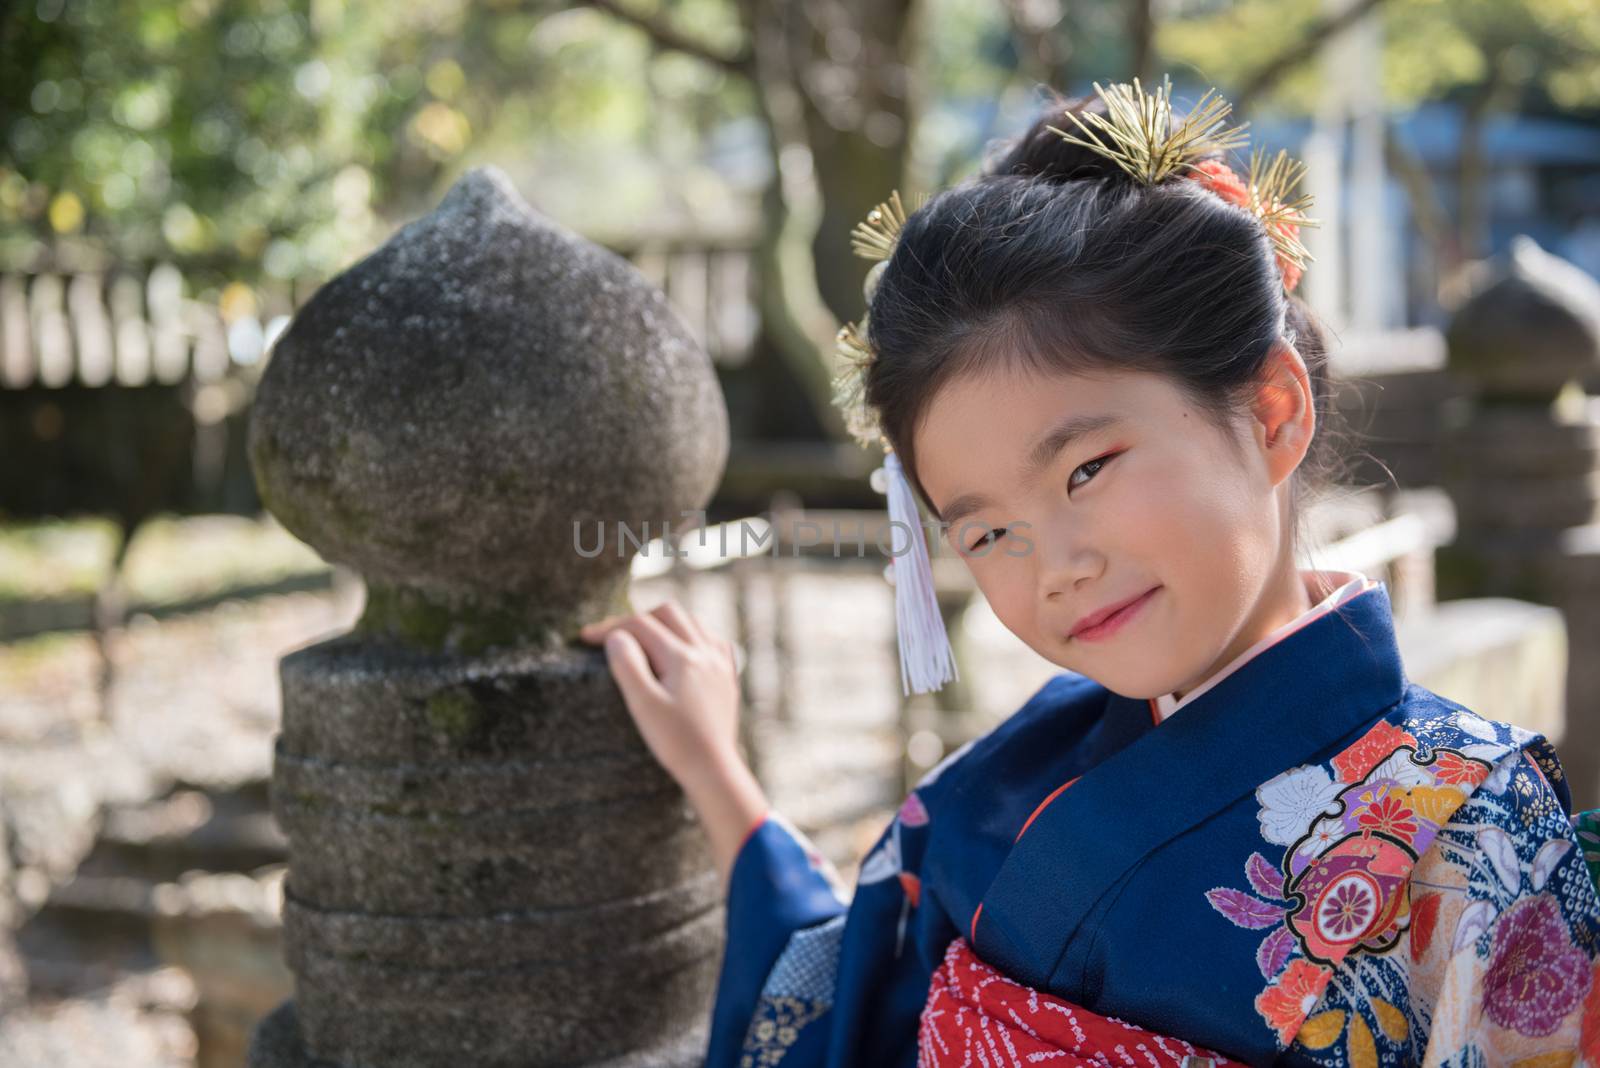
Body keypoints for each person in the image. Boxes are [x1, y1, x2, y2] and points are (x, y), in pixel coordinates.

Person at [578, 77, 1600, 1067]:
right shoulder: (1011, 781)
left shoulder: (1480, 832)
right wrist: (718, 779)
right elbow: (845, 995)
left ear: (1270, 414)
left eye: (1085, 470)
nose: (1052, 568)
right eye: (986, 535)